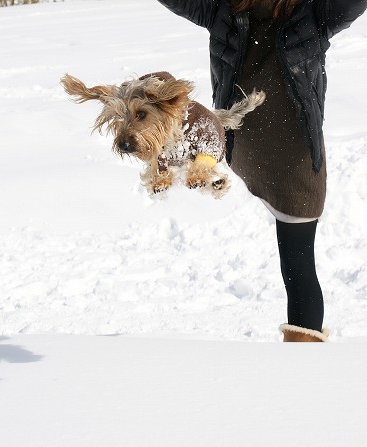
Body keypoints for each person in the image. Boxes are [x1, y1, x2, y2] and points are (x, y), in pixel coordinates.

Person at [156, 0, 367, 341]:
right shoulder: (222, 9)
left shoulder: (316, 12)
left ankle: (303, 359)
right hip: (241, 156)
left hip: (296, 167)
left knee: (297, 268)